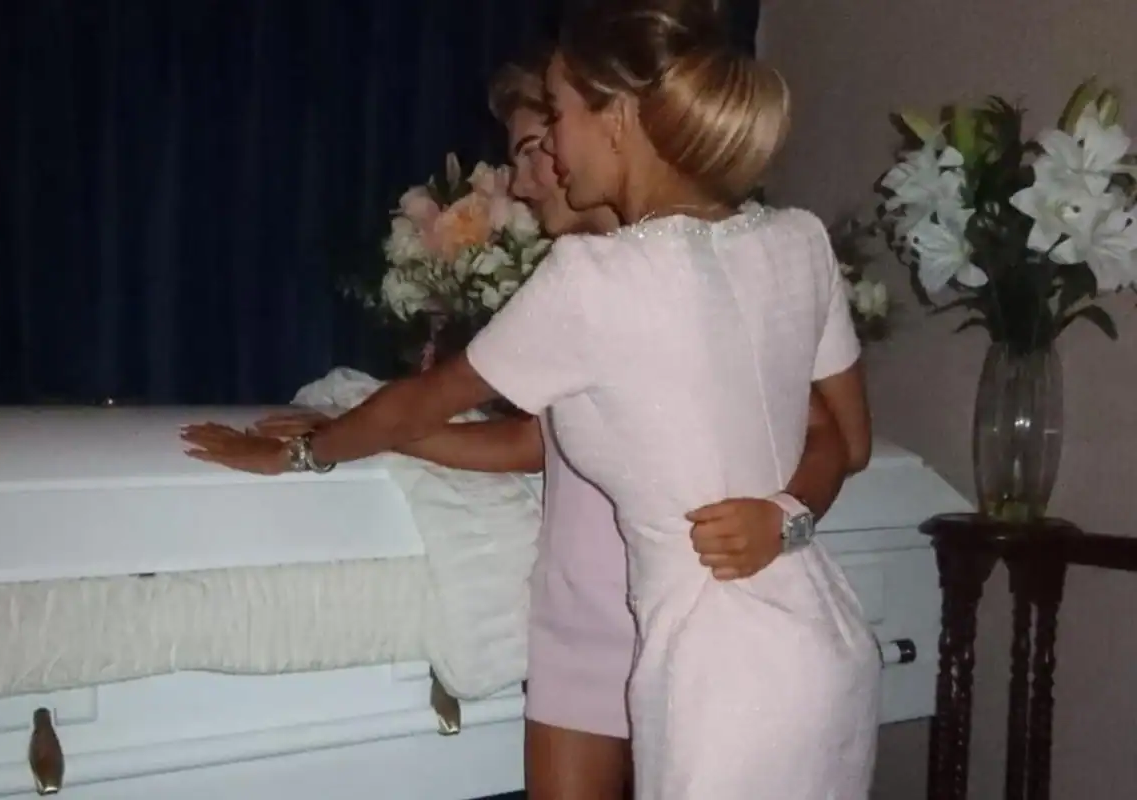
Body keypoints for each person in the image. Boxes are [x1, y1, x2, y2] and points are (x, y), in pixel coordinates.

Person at [182, 1, 881, 795]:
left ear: (618, 117)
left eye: (559, 112)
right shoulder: (798, 239)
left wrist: (303, 452)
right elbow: (850, 442)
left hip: (717, 669)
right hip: (823, 639)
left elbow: (420, 403)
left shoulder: (594, 279)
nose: (551, 145)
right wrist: (786, 516)